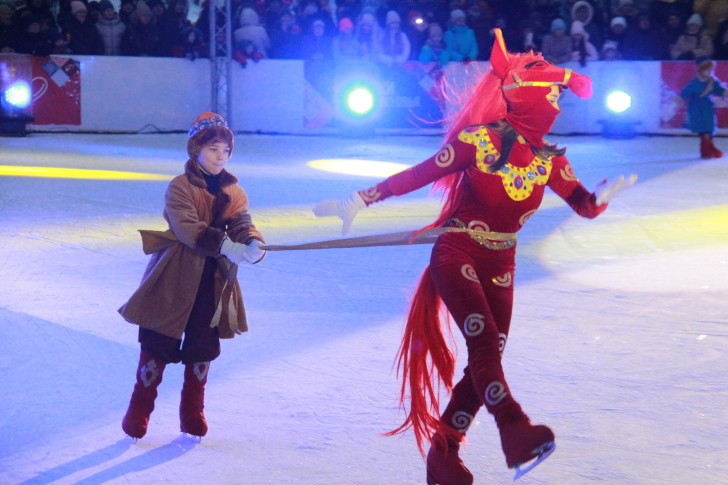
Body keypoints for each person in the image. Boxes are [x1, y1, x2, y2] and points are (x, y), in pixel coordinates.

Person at [313, 29, 636, 484]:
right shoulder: (479, 141)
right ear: (532, 99)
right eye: (556, 96)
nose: (561, 106)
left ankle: (443, 453)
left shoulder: (550, 161)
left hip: (502, 265)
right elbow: (420, 173)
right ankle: (514, 429)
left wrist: (599, 197)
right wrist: (358, 200)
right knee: (485, 347)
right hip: (458, 252)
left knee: (487, 360)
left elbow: (582, 205)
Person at [119, 112, 266, 440]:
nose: (220, 156)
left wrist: (253, 242)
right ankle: (140, 406)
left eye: (226, 151)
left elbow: (241, 221)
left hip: (212, 279)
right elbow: (187, 228)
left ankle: (192, 410)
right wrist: (227, 246)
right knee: (157, 340)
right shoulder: (180, 186)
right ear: (196, 148)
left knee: (202, 344)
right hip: (176, 271)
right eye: (214, 148)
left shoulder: (235, 191)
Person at [675, 57, 727, 159]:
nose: (710, 72)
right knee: (703, 128)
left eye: (711, 69)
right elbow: (686, 91)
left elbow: (720, 90)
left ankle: (710, 146)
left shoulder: (713, 82)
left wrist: (726, 93)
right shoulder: (694, 83)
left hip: (707, 107)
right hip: (696, 108)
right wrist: (680, 97)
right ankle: (705, 149)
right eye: (707, 69)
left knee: (710, 126)